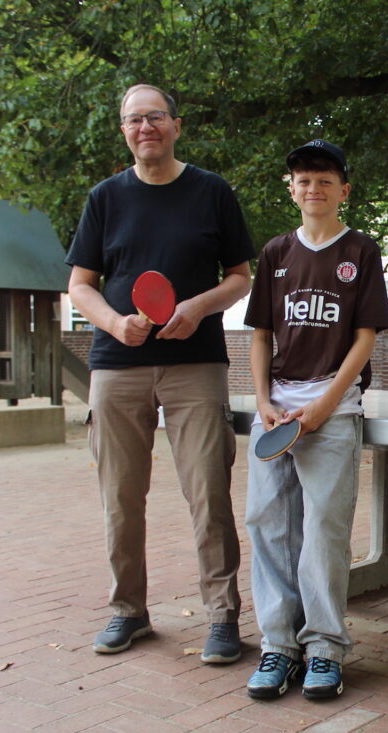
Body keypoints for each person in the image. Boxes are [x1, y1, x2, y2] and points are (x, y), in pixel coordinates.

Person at [66, 84, 255, 663]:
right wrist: (112, 322)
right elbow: (80, 285)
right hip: (116, 366)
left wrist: (197, 307)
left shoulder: (212, 191)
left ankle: (222, 617)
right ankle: (128, 612)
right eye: (133, 119)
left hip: (195, 364)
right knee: (120, 498)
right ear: (124, 131)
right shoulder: (104, 198)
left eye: (154, 116)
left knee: (209, 493)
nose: (144, 127)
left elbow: (240, 278)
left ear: (176, 124)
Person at [243, 139, 388, 700]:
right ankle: (279, 646)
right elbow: (261, 336)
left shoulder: (361, 250)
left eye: (325, 180)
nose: (314, 188)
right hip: (277, 412)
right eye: (304, 180)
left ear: (343, 190)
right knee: (268, 525)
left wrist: (327, 403)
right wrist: (262, 400)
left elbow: (365, 337)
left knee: (324, 529)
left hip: (332, 410)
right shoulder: (275, 253)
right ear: (292, 190)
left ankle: (325, 648)